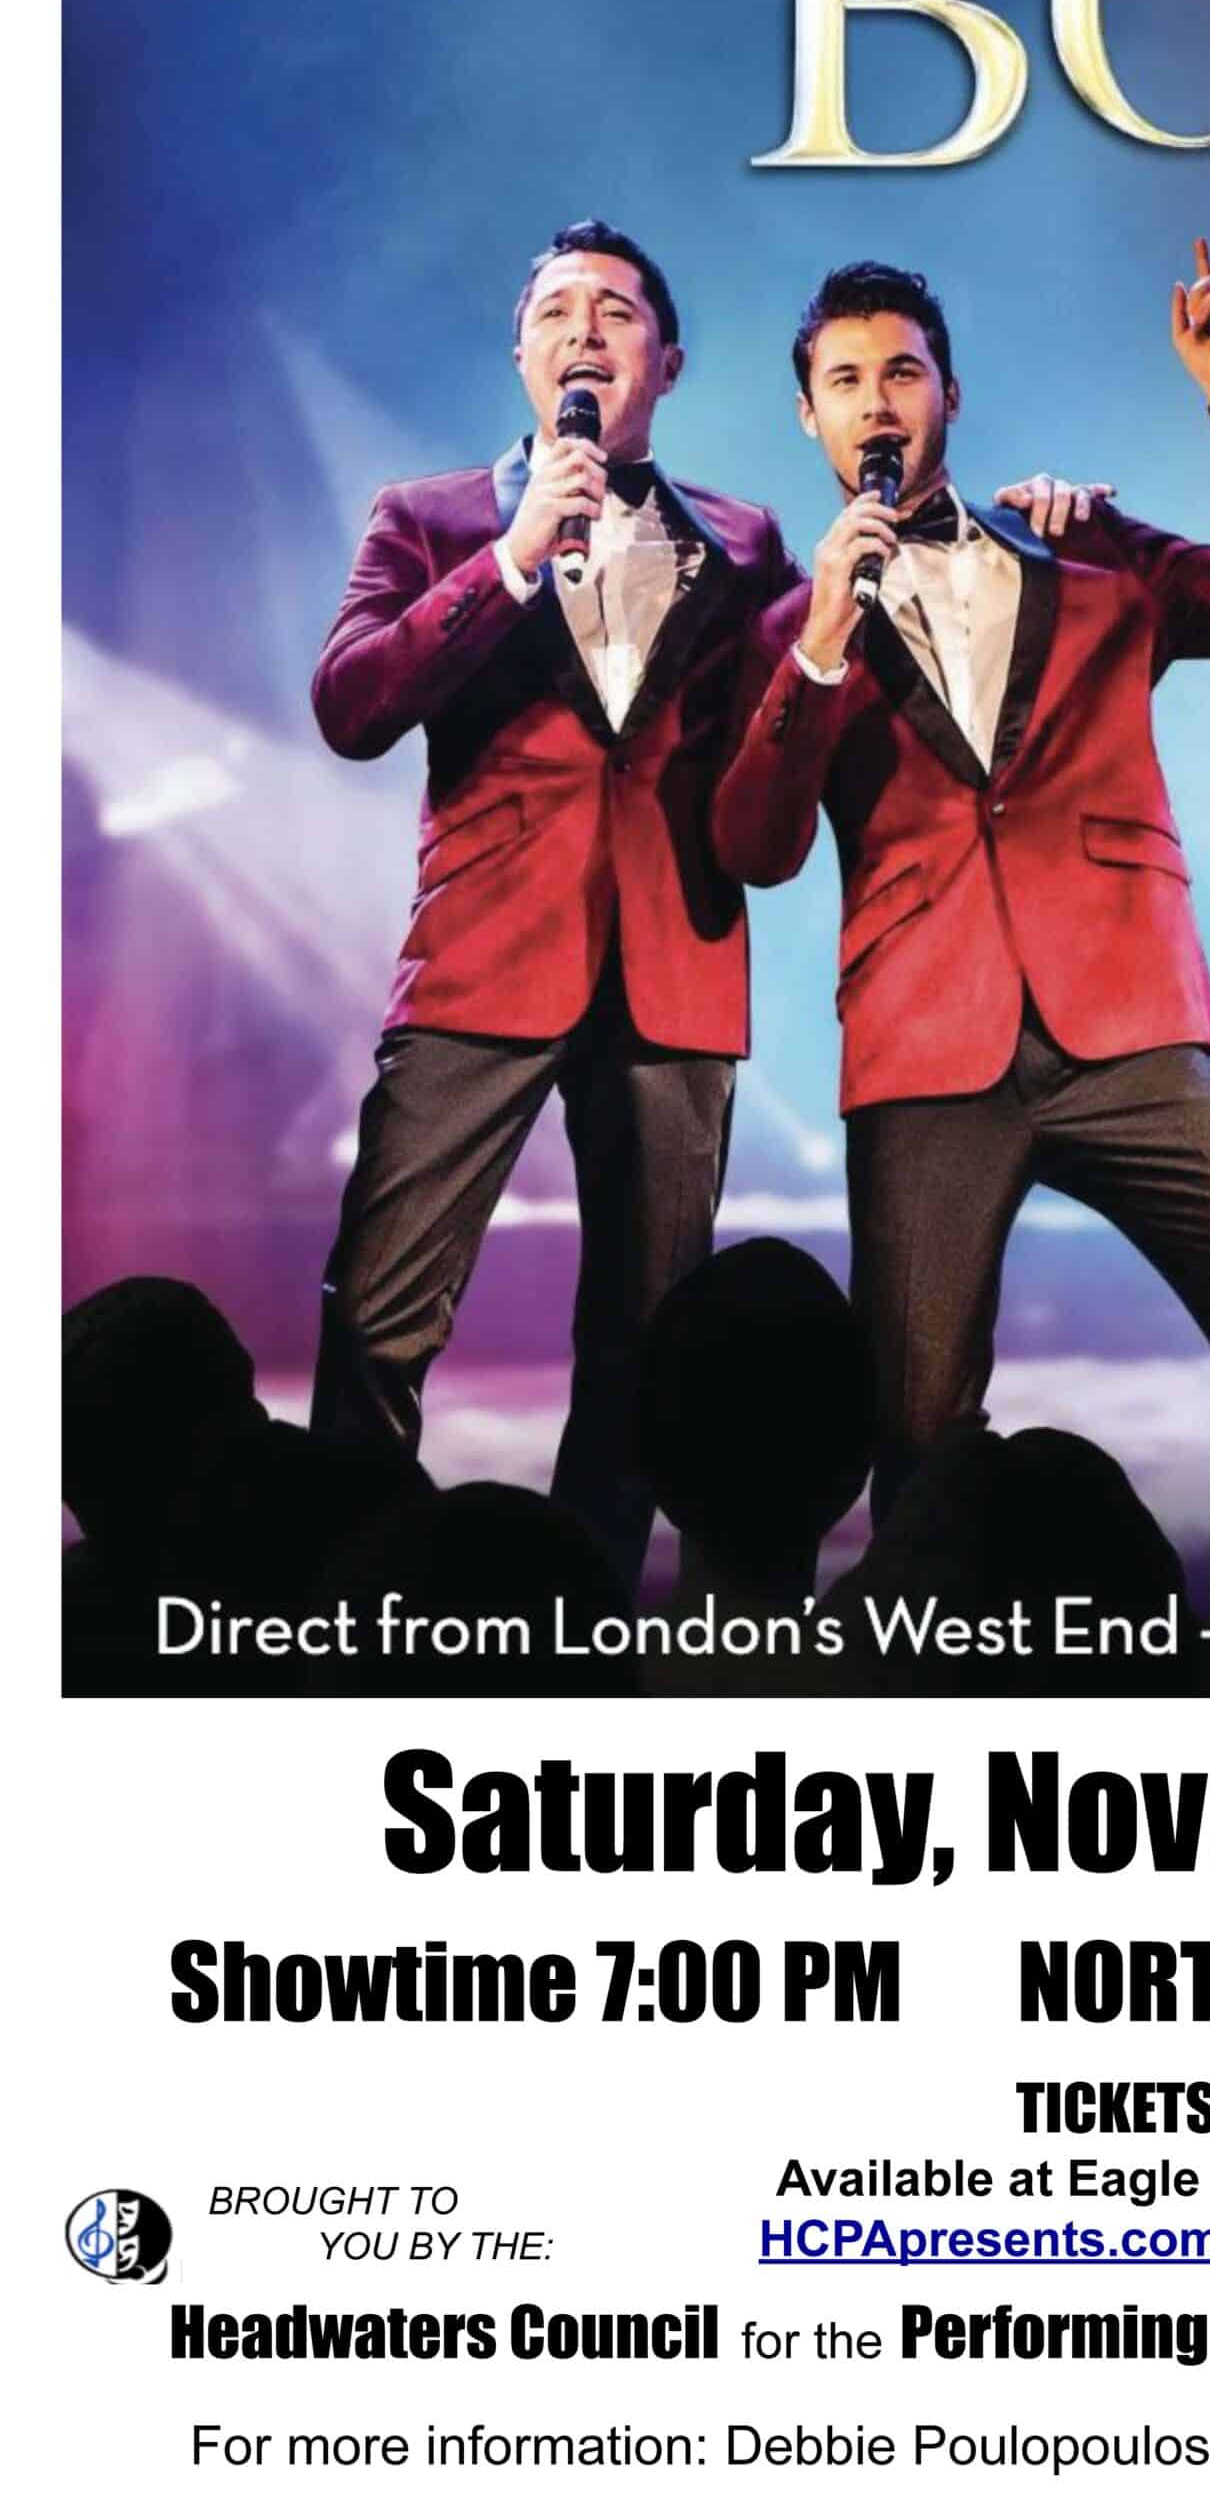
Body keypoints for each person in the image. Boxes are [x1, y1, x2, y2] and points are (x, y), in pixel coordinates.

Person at [712, 244, 1210, 1540]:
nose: (877, 401)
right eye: (846, 378)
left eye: (902, 370)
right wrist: (827, 637)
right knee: (922, 1414)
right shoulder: (790, 629)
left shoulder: (1091, 549)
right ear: (809, 413)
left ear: (950, 391)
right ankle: (945, 1679)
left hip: (1126, 1022)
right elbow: (756, 846)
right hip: (926, 1044)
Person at [309, 219, 796, 1585]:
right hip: (482, 961)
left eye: (620, 311)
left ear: (670, 360)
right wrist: (513, 557)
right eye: (559, 310)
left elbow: (815, 699)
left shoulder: (747, 541)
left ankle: (581, 1617)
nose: (587, 329)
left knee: (650, 1341)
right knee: (384, 1312)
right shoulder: (432, 518)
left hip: (677, 966)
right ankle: (358, 1606)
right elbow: (349, 704)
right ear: (522, 353)